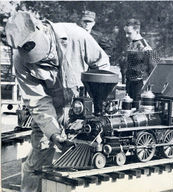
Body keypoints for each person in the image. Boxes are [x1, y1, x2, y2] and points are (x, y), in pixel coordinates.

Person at [5, 11, 110, 192]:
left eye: (45, 56)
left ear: (42, 29)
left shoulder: (77, 36)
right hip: (49, 113)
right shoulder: (20, 60)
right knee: (36, 164)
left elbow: (103, 67)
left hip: (85, 113)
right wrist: (53, 133)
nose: (44, 61)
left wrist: (96, 108)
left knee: (91, 164)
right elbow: (37, 100)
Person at [123, 18, 159, 107]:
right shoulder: (131, 44)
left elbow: (155, 66)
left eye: (129, 33)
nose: (126, 36)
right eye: (126, 33)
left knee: (137, 110)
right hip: (129, 83)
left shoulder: (145, 46)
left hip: (139, 85)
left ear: (137, 31)